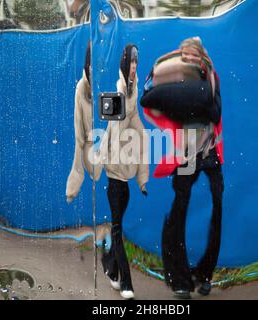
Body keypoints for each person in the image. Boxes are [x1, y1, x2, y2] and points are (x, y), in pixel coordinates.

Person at [141, 37, 224, 299]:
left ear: (199, 58)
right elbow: (149, 99)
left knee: (215, 207)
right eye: (184, 56)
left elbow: (215, 112)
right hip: (186, 156)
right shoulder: (171, 78)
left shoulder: (211, 77)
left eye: (191, 56)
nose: (187, 60)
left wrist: (199, 98)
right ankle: (179, 278)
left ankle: (205, 274)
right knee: (180, 209)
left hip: (210, 154)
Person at [100, 44, 149, 300]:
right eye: (130, 63)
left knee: (118, 226)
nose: (133, 68)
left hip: (126, 178)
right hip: (114, 176)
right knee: (118, 229)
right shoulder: (119, 92)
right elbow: (114, 132)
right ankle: (126, 282)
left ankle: (109, 264)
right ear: (123, 65)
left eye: (136, 64)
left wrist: (142, 179)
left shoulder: (132, 93)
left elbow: (136, 124)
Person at [66, 43, 101, 203]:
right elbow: (79, 138)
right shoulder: (81, 88)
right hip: (90, 143)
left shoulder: (109, 83)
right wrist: (72, 188)